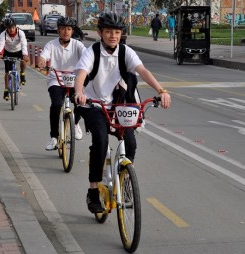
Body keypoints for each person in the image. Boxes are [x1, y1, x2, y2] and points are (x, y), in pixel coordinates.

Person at [74, 11, 171, 214]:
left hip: (118, 106)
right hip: (93, 105)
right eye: (108, 31)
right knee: (100, 140)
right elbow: (82, 73)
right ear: (100, 33)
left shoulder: (125, 52)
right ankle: (93, 191)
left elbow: (142, 71)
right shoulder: (92, 51)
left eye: (117, 32)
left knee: (131, 143)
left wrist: (161, 91)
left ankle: (125, 179)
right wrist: (79, 92)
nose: (113, 36)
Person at [38, 16, 86, 151]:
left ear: (72, 31)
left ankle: (75, 123)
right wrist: (42, 61)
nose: (66, 31)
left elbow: (87, 56)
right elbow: (44, 55)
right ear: (58, 30)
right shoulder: (51, 44)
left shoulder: (77, 45)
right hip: (56, 79)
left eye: (69, 29)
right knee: (56, 104)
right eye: (63, 28)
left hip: (74, 80)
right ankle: (54, 137)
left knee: (80, 101)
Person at [0, 18, 29, 101]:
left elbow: (24, 44)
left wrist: (25, 54)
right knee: (7, 72)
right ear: (6, 28)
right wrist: (0, 54)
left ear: (15, 26)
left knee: (23, 60)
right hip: (8, 52)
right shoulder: (3, 34)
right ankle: (6, 90)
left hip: (18, 50)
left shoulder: (20, 33)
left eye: (13, 27)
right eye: (9, 28)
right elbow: (1, 44)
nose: (11, 29)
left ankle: (22, 73)